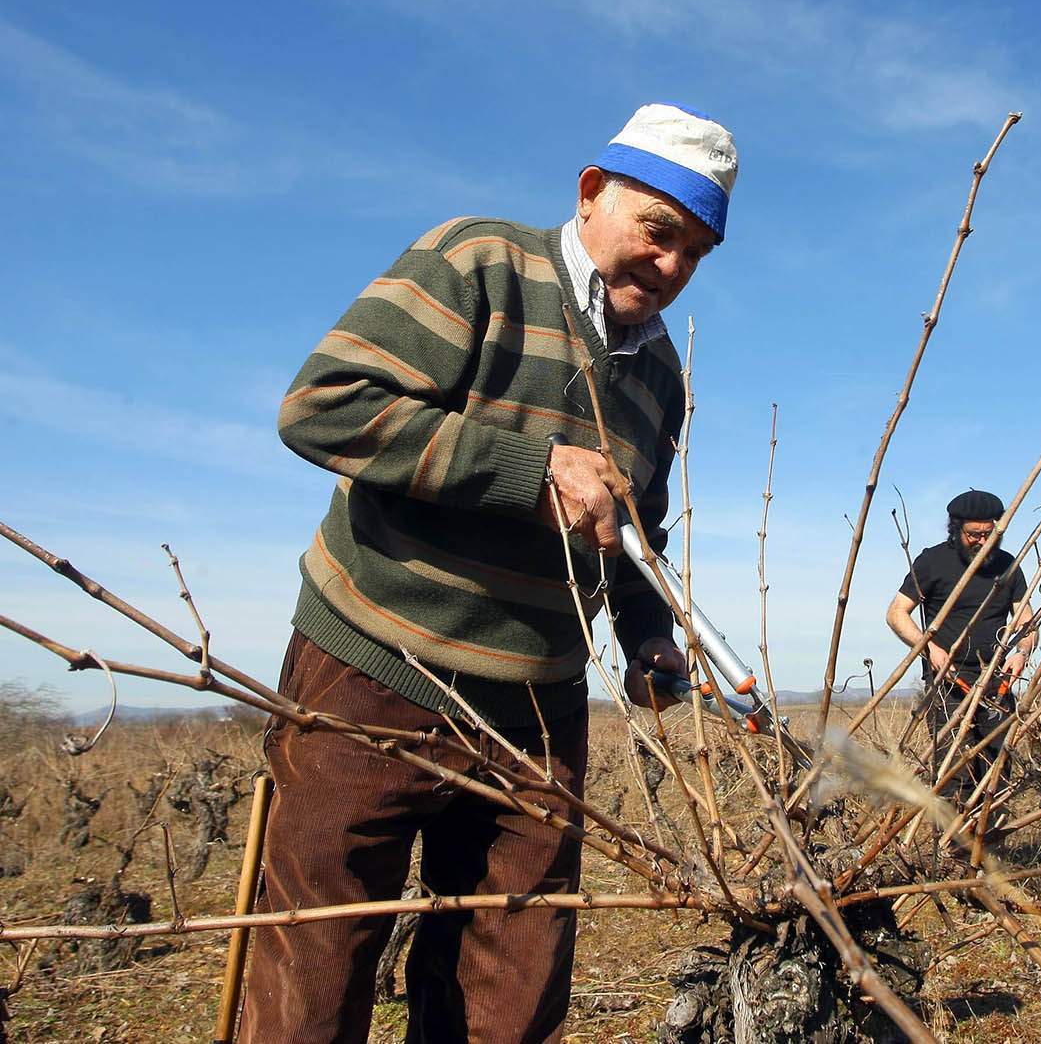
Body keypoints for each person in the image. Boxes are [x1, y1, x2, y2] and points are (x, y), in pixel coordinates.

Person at [242, 103, 737, 1044]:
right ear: (592, 193)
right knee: (316, 973)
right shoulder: (481, 263)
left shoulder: (661, 376)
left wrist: (648, 637)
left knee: (510, 994)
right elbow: (323, 406)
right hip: (376, 670)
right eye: (659, 230)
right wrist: (532, 466)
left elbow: (634, 531)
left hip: (539, 707)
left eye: (696, 252)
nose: (672, 267)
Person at [886, 490, 1036, 802]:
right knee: (954, 778)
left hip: (997, 684)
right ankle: (954, 850)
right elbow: (896, 613)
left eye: (989, 533)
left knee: (996, 776)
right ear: (956, 530)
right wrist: (929, 648)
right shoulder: (933, 561)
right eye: (973, 534)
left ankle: (989, 848)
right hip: (948, 686)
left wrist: (1023, 651)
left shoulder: (1008, 565)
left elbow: (1026, 620)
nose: (982, 541)